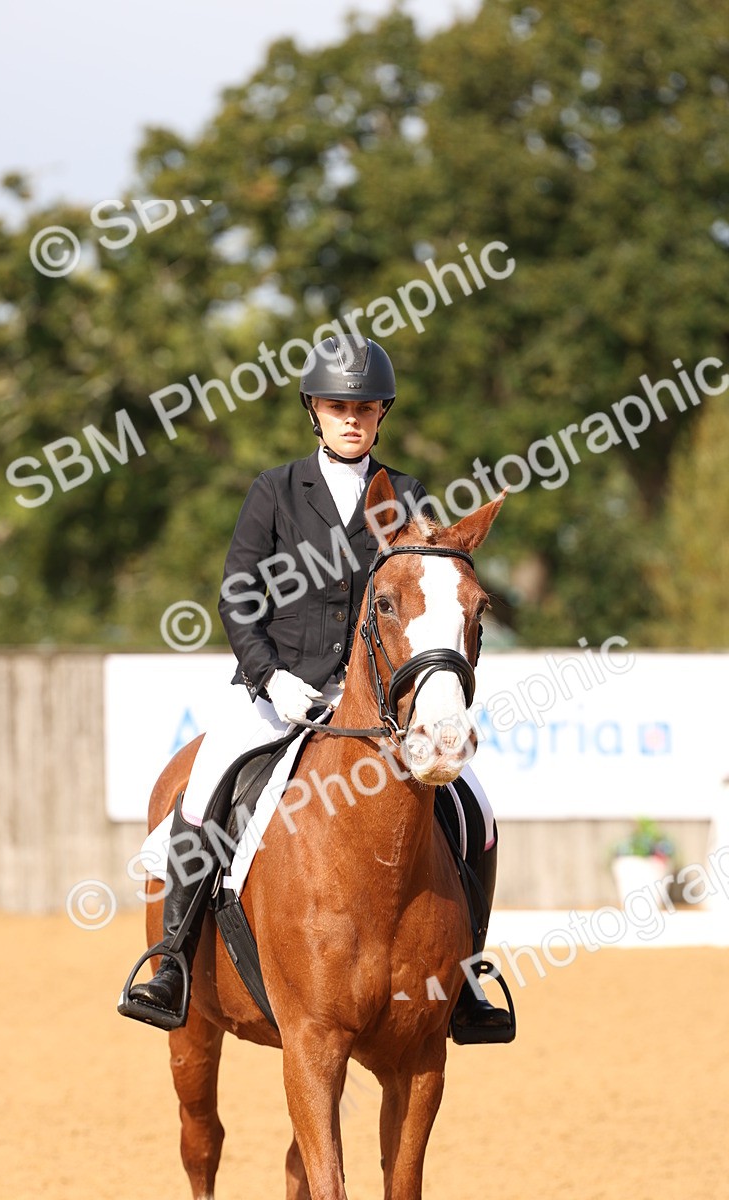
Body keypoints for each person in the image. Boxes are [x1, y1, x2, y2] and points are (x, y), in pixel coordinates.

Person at [124, 335, 512, 1042]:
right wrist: (274, 678)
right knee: (205, 789)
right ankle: (172, 960)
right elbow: (239, 599)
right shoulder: (274, 491)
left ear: (380, 414)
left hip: (374, 706)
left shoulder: (408, 498)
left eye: (364, 407)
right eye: (338, 405)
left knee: (477, 813)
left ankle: (466, 980)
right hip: (277, 693)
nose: (351, 418)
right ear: (315, 410)